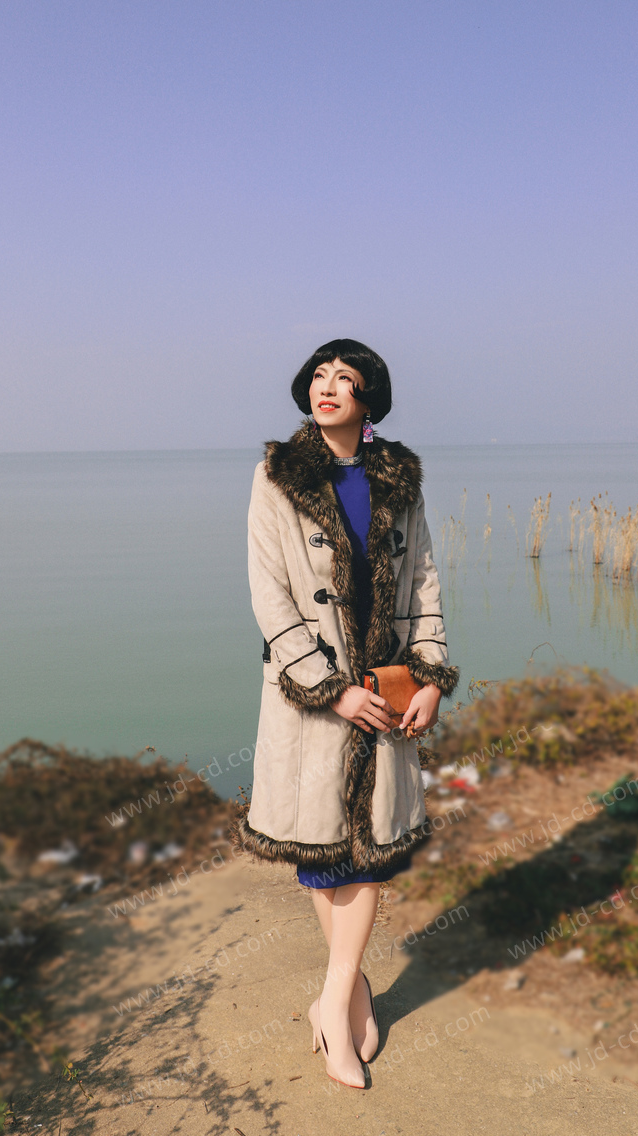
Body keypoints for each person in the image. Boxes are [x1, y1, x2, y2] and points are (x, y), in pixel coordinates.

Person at [232, 338, 459, 1088]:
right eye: (319, 377)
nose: (327, 387)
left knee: (370, 852)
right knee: (323, 852)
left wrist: (429, 676)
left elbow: (423, 582)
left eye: (346, 379)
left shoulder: (399, 478)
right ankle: (348, 994)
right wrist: (331, 688)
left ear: (369, 401)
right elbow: (269, 596)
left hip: (386, 687)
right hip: (314, 698)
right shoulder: (276, 476)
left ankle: (332, 1000)